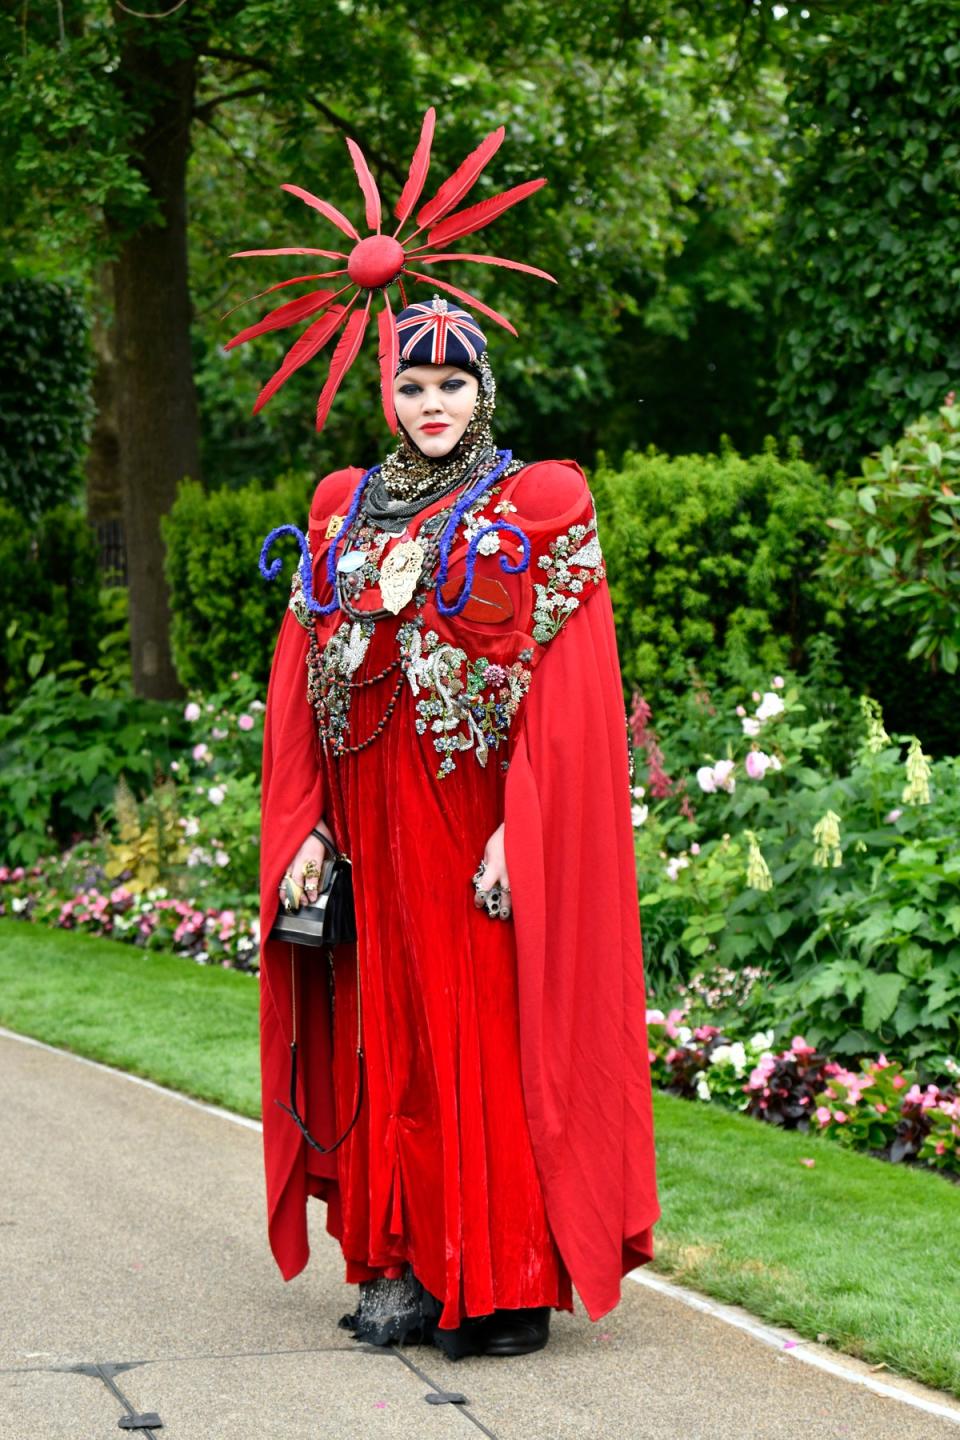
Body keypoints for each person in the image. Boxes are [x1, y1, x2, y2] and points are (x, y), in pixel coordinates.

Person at [243, 112, 660, 1361]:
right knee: (392, 1041)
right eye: (412, 384)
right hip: (373, 823)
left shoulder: (542, 500)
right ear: (389, 391)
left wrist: (521, 836)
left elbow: (570, 688)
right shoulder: (340, 508)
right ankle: (407, 1267)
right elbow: (302, 671)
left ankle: (504, 1276)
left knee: (482, 1039)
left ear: (484, 388)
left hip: (478, 824)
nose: (432, 403)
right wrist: (305, 822)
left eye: (452, 383)